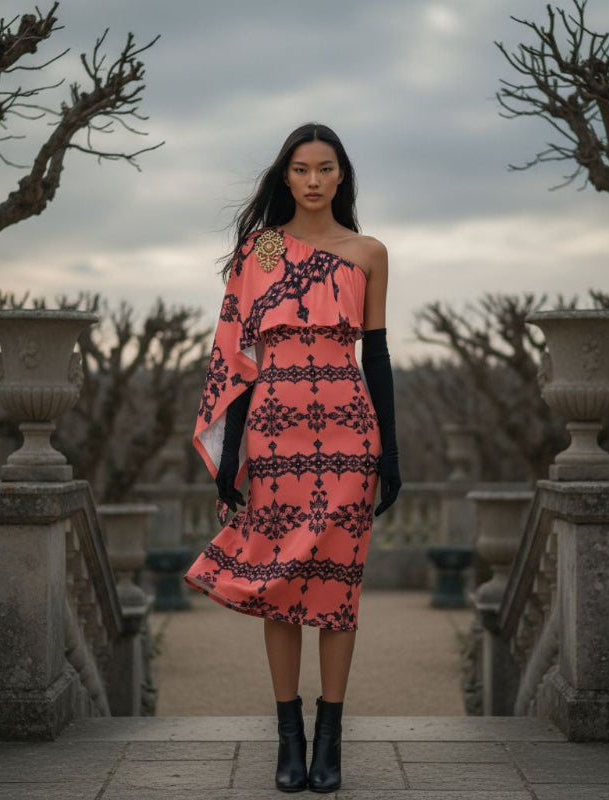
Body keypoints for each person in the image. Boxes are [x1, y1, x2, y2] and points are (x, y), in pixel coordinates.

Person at [184, 122, 401, 793]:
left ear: (342, 176)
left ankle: (330, 738)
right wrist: (231, 458)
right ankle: (290, 738)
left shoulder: (369, 252)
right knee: (279, 585)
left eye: (325, 168)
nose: (313, 180)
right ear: (286, 176)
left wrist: (391, 453)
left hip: (350, 434)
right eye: (301, 169)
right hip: (275, 431)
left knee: (339, 587)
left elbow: (378, 355)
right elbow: (239, 357)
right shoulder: (262, 249)